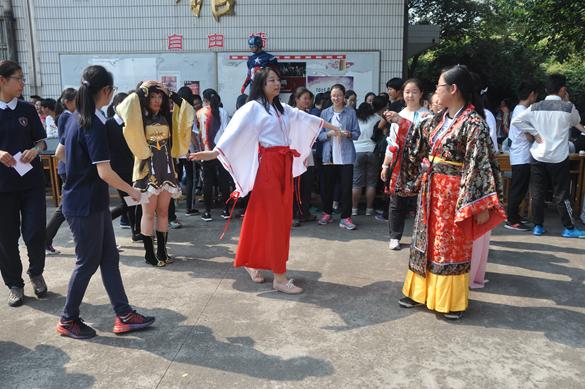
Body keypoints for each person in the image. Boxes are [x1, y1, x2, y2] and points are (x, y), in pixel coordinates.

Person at [189, 67, 341, 294]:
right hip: (268, 166)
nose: (277, 83)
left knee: (266, 216)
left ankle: (251, 261)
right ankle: (279, 278)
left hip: (283, 165)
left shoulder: (282, 109)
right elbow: (234, 131)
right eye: (272, 80)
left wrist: (332, 126)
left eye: (278, 80)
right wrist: (214, 152)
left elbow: (305, 118)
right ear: (261, 83)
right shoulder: (252, 108)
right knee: (275, 220)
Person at [387, 65, 506, 319]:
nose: (436, 90)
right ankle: (419, 292)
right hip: (430, 192)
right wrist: (400, 123)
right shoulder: (439, 119)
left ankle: (450, 300)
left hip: (455, 195)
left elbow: (481, 165)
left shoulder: (474, 123)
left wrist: (481, 204)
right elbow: (416, 136)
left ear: (453, 89)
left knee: (449, 246)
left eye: (440, 86)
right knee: (424, 240)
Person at [55, 65, 155, 338]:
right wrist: (132, 192)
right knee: (87, 263)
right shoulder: (94, 123)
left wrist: (78, 174)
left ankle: (124, 315)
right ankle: (67, 319)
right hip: (85, 206)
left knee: (109, 259)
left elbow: (60, 153)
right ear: (107, 91)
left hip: (87, 201)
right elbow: (105, 172)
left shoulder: (77, 118)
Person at [117, 80, 193, 266]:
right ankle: (149, 253)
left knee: (164, 212)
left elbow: (188, 111)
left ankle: (162, 251)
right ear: (146, 99)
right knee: (148, 214)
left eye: (160, 97)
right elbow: (121, 109)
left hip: (166, 170)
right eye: (153, 97)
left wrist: (171, 93)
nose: (157, 101)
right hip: (146, 172)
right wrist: (141, 90)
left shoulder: (169, 118)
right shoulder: (138, 118)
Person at [512, 73, 585, 238]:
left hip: (538, 155)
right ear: (563, 89)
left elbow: (517, 121)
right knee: (562, 194)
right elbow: (576, 121)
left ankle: (538, 226)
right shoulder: (568, 107)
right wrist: (568, 101)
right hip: (559, 157)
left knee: (537, 192)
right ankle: (568, 228)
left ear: (546, 89)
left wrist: (534, 131)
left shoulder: (535, 107)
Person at [0, 60, 48, 307]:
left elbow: (41, 143)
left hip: (31, 183)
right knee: (6, 238)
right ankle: (14, 285)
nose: (22, 82)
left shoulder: (28, 110)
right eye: (18, 78)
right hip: (3, 186)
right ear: (2, 80)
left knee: (35, 232)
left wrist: (34, 151)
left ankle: (36, 272)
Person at [381, 78, 431, 250]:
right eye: (407, 92)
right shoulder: (399, 115)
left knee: (421, 202)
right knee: (397, 202)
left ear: (421, 94)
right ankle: (394, 236)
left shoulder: (429, 116)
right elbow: (392, 142)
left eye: (414, 91)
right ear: (402, 94)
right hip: (400, 162)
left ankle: (421, 237)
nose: (410, 95)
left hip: (421, 165)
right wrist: (385, 165)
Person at [318, 84, 361, 230]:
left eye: (339, 95)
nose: (336, 98)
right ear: (330, 97)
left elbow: (357, 133)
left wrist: (348, 134)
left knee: (346, 188)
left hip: (346, 156)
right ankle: (327, 213)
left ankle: (345, 217)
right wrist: (329, 134)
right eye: (333, 95)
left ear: (344, 97)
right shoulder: (324, 113)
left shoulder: (351, 113)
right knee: (328, 186)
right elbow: (319, 135)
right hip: (329, 156)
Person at [106, 92, 142, 242]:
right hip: (118, 170)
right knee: (128, 203)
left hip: (133, 167)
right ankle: (103, 221)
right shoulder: (107, 124)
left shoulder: (131, 124)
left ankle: (136, 232)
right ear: (119, 107)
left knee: (134, 202)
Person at [45, 88, 77, 255]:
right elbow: (66, 145)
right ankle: (45, 239)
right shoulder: (66, 116)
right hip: (68, 166)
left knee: (67, 207)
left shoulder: (66, 116)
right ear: (68, 101)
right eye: (77, 100)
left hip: (68, 165)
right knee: (65, 207)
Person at [504, 81, 538, 231]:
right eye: (536, 95)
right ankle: (511, 219)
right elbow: (530, 137)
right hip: (521, 155)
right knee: (518, 189)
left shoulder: (519, 109)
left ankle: (515, 216)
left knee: (519, 188)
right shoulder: (522, 111)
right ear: (532, 94)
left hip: (520, 154)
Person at [195, 88, 232, 222]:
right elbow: (228, 132)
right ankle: (225, 210)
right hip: (222, 152)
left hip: (206, 153)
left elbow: (196, 133)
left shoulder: (199, 113)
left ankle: (207, 212)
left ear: (205, 100)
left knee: (207, 182)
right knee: (224, 181)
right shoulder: (223, 112)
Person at [352, 98, 387, 216]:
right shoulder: (377, 118)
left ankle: (354, 209)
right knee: (371, 183)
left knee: (356, 183)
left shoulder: (355, 119)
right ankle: (369, 209)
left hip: (357, 152)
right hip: (373, 152)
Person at [291, 87, 317, 227]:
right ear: (297, 99)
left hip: (307, 156)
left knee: (307, 185)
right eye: (304, 98)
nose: (307, 101)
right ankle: (293, 215)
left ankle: (304, 213)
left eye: (309, 98)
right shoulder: (291, 114)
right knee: (295, 187)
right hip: (295, 157)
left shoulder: (308, 114)